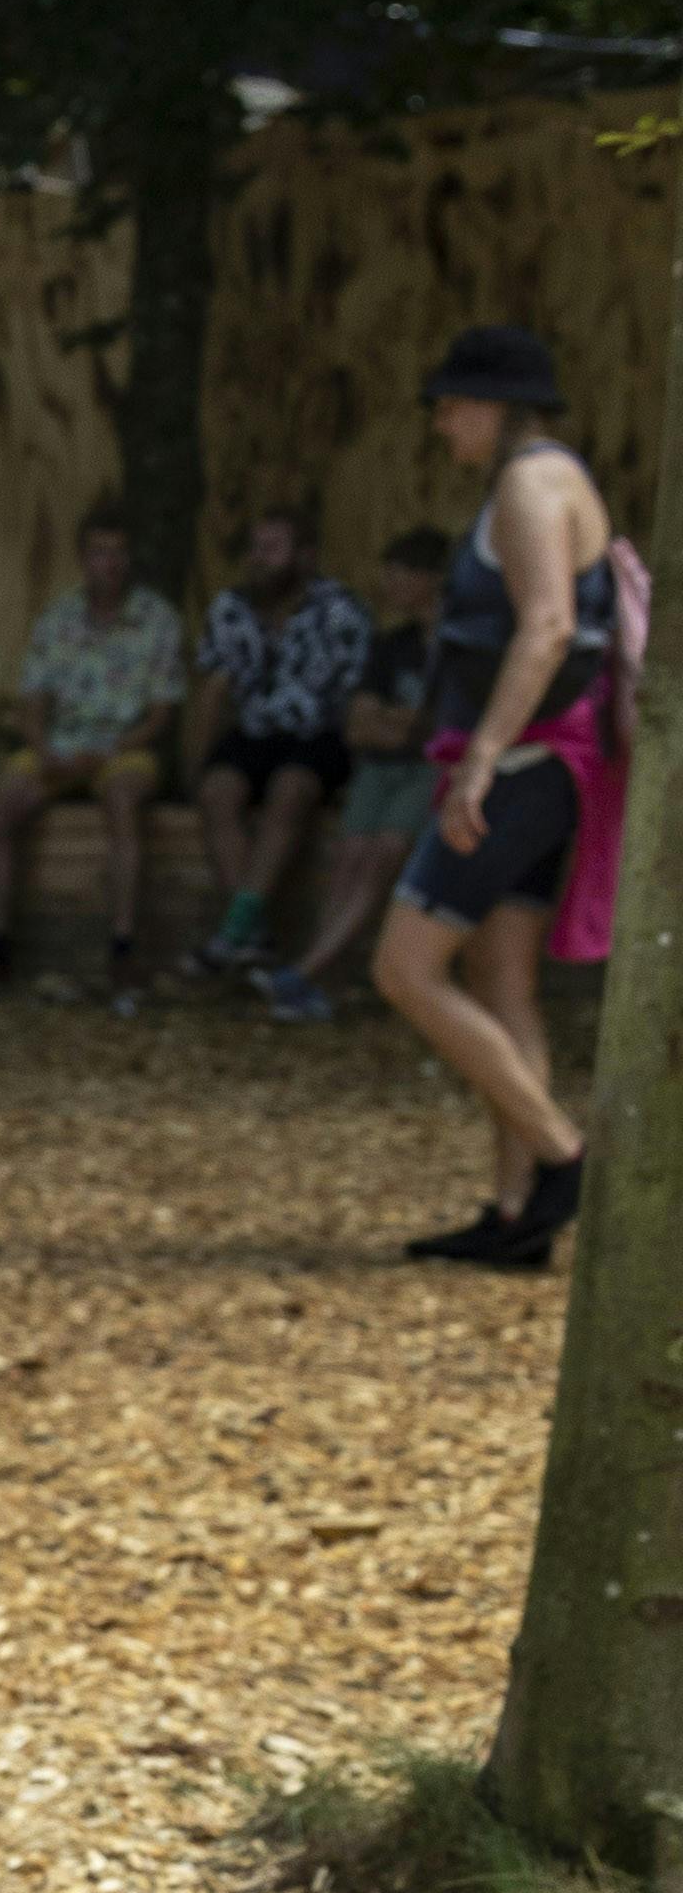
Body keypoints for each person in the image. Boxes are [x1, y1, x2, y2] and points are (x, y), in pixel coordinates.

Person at [375, 325, 616, 1268]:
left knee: (404, 968)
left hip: (521, 772)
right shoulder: (538, 480)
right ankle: (517, 1215)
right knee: (500, 978)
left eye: (450, 404)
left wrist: (478, 759)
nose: (441, 423)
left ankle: (562, 1157)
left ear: (497, 405)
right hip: (544, 770)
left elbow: (549, 627)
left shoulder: (531, 483)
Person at [0, 498, 187, 1006]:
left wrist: (112, 750)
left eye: (118, 553)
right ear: (82, 557)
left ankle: (122, 945)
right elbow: (32, 702)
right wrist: (44, 749)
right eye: (98, 552)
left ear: (130, 560)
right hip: (60, 747)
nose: (108, 564)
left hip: (124, 748)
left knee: (122, 799)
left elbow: (161, 715)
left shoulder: (157, 620)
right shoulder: (59, 618)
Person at [259, 527, 449, 1018]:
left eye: (398, 573)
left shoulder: (461, 646)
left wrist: (403, 726)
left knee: (385, 852)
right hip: (381, 768)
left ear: (432, 579)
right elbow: (360, 726)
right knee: (349, 855)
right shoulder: (392, 644)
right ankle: (324, 982)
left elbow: (445, 728)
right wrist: (405, 727)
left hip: (428, 772)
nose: (387, 584)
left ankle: (305, 972)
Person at [183, 498, 366, 975]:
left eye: (273, 548)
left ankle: (237, 929)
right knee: (218, 792)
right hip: (255, 731)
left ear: (305, 555)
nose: (259, 557)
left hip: (316, 734)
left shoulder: (340, 609)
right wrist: (195, 763)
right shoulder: (230, 608)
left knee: (291, 790)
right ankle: (251, 933)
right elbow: (213, 688)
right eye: (256, 547)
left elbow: (355, 695)